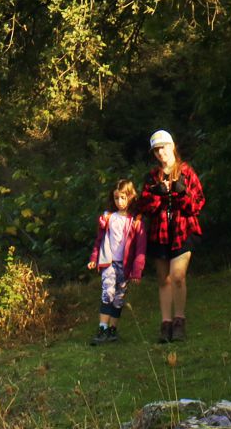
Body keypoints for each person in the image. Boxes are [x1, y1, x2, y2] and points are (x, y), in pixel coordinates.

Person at [137, 129, 204, 343]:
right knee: (163, 279)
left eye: (163, 147)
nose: (160, 153)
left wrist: (181, 191)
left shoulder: (187, 173)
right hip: (160, 233)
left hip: (183, 232)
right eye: (156, 150)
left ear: (172, 146)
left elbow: (197, 205)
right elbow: (144, 206)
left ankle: (179, 321)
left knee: (177, 276)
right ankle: (165, 325)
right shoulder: (151, 177)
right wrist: (158, 194)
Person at [87, 179, 146, 344]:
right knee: (108, 294)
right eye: (116, 198)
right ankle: (102, 328)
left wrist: (137, 271)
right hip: (109, 263)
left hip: (125, 266)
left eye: (123, 197)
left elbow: (140, 248)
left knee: (119, 298)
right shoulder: (108, 218)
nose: (120, 202)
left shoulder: (135, 222)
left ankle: (112, 330)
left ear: (131, 198)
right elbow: (99, 240)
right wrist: (94, 258)